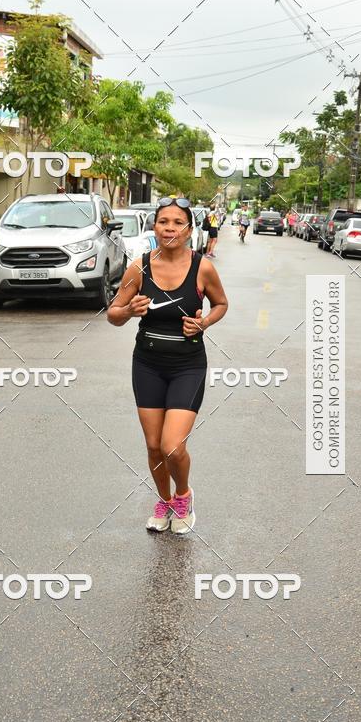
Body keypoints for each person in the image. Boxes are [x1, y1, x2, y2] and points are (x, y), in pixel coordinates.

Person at [107, 197, 228, 534]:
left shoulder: (202, 267)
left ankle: (184, 495)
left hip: (188, 365)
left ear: (189, 230)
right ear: (154, 226)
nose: (170, 228)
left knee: (172, 445)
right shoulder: (139, 267)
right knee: (153, 445)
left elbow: (220, 304)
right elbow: (113, 314)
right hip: (147, 363)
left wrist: (204, 324)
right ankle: (164, 500)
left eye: (178, 222)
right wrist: (130, 310)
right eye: (164, 222)